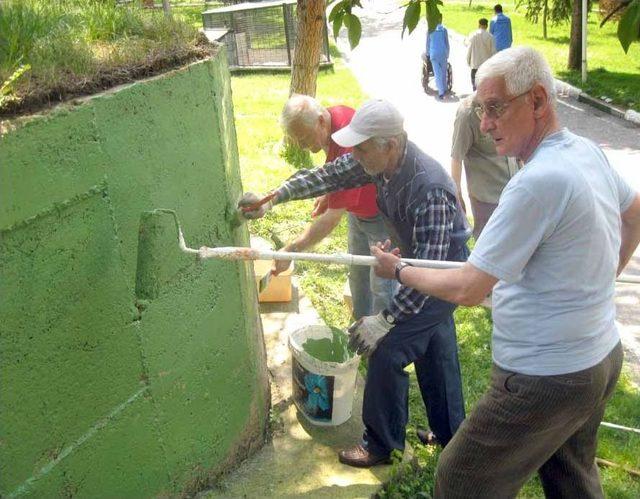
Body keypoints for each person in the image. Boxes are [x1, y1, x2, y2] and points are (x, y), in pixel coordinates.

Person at [371, 47, 640, 497]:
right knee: (571, 479)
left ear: (537, 101)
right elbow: (635, 215)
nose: (484, 123)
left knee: (459, 481)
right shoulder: (585, 152)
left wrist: (399, 270)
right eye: (479, 110)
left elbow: (470, 286)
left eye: (495, 108)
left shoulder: (536, 183)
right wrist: (603, 276)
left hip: (544, 376)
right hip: (598, 358)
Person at [240, 99, 470, 467]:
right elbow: (330, 175)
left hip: (442, 274)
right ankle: (452, 439)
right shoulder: (377, 163)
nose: (355, 155)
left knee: (386, 349)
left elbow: (430, 273)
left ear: (390, 145)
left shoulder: (429, 190)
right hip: (419, 265)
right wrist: (273, 198)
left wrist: (385, 320)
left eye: (361, 148)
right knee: (436, 350)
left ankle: (380, 445)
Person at [275, 95, 395, 320]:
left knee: (382, 284)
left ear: (320, 121)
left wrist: (291, 249)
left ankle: (384, 338)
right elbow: (334, 173)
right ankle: (361, 326)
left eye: (303, 138)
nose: (301, 146)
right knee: (358, 273)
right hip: (358, 213)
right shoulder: (333, 118)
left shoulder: (345, 139)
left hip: (380, 217)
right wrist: (330, 194)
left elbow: (330, 219)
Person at [451, 95, 519, 238]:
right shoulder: (467, 114)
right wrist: (458, 196)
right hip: (487, 199)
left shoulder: (505, 103)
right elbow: (456, 157)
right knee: (489, 246)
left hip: (514, 189)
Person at [466, 18, 495, 90]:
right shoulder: (490, 37)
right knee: (485, 86)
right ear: (486, 26)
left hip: (475, 64)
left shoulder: (473, 35)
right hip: (486, 65)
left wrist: (468, 60)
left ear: (479, 25)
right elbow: (494, 52)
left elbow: (469, 48)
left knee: (475, 85)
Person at [427, 17, 450, 100]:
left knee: (437, 73)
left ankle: (441, 92)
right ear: (441, 19)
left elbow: (428, 43)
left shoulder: (430, 29)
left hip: (434, 54)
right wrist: (447, 53)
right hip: (443, 53)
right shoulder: (444, 30)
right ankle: (444, 88)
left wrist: (427, 54)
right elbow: (447, 42)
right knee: (443, 72)